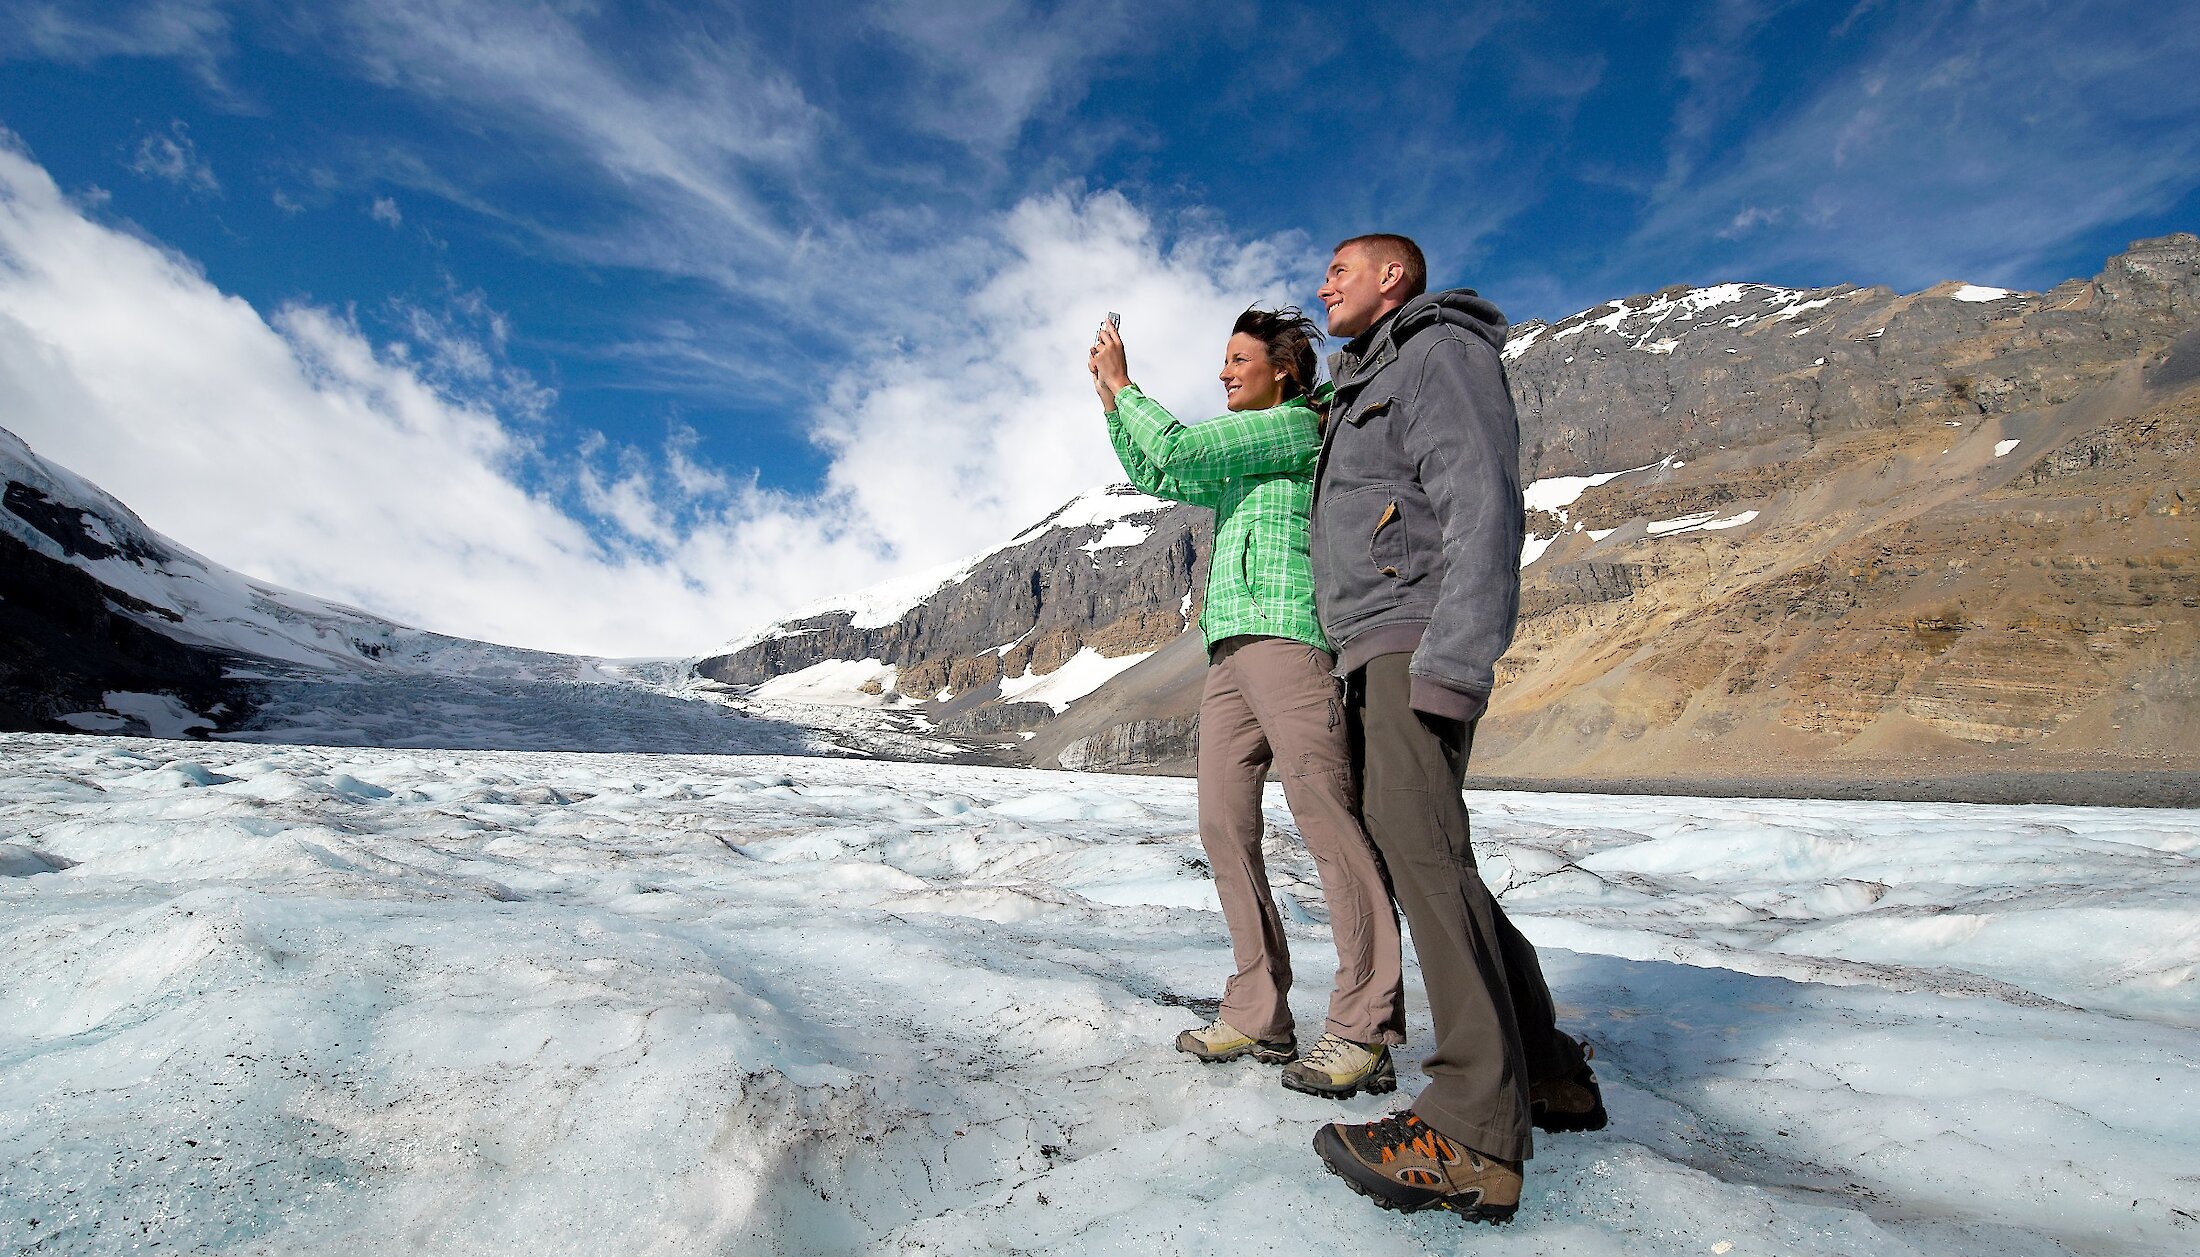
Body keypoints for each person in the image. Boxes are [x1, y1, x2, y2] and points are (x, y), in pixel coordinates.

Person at [1301, 235, 1606, 1222]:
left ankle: (1472, 1129)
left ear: (1393, 276)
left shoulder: (1436, 351)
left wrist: (1456, 656)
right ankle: (1546, 1067)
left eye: (1338, 270)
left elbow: (1481, 501)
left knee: (1423, 858)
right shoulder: (1365, 380)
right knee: (1428, 855)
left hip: (1412, 636)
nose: (1321, 286)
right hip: (1370, 645)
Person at [1089, 307, 1406, 1099]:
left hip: (1288, 639)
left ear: (1284, 372)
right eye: (1223, 361)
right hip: (1228, 649)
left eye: (1238, 359)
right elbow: (1159, 473)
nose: (1225, 372)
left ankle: (1365, 1026)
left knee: (1329, 821)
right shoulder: (1250, 446)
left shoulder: (1294, 428)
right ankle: (1260, 1011)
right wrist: (1108, 400)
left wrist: (1128, 385)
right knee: (1223, 824)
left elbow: (1181, 448)